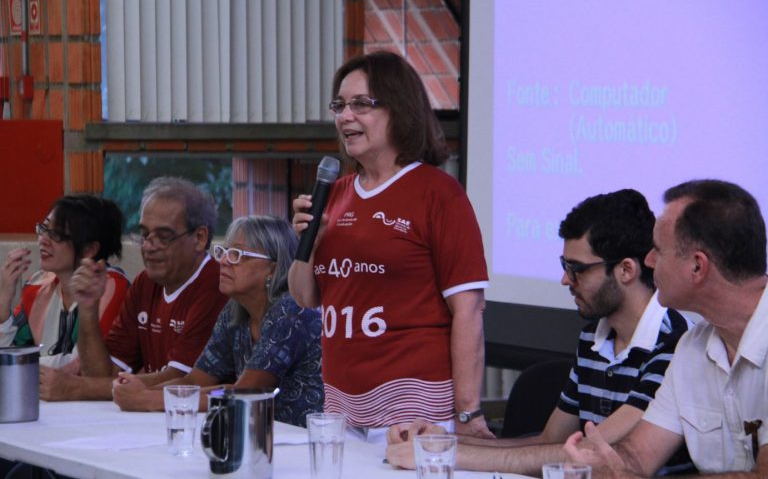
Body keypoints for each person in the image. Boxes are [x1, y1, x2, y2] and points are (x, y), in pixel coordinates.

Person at [386, 189, 694, 475]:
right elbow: (547, 442)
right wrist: (441, 441)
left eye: (577, 269)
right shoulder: (594, 338)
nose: (564, 279)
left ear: (626, 270)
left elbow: (582, 453)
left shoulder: (672, 345)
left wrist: (445, 454)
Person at [288, 51, 491, 439]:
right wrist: (308, 246)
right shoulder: (336, 194)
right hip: (340, 408)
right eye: (340, 106)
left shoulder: (437, 192)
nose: (345, 116)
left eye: (361, 104)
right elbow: (305, 297)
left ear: (399, 109)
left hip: (413, 413)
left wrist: (468, 415)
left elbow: (468, 309)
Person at [564, 179, 768, 477]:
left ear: (697, 267)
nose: (647, 260)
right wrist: (603, 466)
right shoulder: (691, 347)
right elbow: (637, 456)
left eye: (658, 250)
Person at [111, 215, 324, 426]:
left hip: (310, 441)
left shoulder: (292, 309)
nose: (223, 261)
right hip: (264, 436)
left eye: (237, 254)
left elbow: (243, 393)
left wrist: (148, 399)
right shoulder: (234, 311)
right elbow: (195, 381)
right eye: (224, 251)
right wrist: (139, 388)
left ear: (272, 268)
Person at [40, 177, 229, 401]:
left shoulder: (216, 285)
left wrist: (77, 388)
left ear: (199, 238)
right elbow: (103, 374)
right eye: (144, 234)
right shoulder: (145, 283)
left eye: (163, 237)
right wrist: (88, 309)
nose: (148, 246)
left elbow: (182, 381)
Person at [0, 195, 128, 373]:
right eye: (44, 228)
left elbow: (82, 366)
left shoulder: (112, 287)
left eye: (57, 235)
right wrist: (3, 302)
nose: (43, 239)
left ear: (90, 249)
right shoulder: (37, 286)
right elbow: (9, 353)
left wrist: (21, 365)